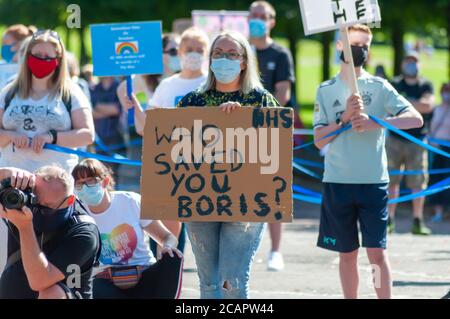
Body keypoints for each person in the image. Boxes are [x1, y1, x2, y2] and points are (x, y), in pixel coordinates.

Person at [313, 24, 423, 299]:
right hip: (338, 182)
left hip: (373, 181)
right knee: (347, 253)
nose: (359, 49)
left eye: (365, 45)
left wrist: (377, 122)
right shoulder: (325, 90)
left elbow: (414, 119)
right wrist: (344, 119)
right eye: (354, 43)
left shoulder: (379, 86)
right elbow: (319, 139)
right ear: (340, 46)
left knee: (376, 252)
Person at [170, 31, 279, 299]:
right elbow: (174, 148)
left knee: (232, 282)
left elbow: (279, 146)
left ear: (244, 62)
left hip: (247, 204)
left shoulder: (261, 100)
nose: (224, 59)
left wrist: (245, 120)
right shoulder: (192, 101)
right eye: (218, 54)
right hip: (200, 202)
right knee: (208, 283)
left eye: (232, 54)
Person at [71, 159, 183, 299]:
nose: (85, 187)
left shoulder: (130, 201)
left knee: (173, 257)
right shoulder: (76, 212)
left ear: (105, 181)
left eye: (90, 181)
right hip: (104, 279)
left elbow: (168, 237)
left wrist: (167, 247)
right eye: (80, 183)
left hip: (144, 272)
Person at [0, 29, 95, 173]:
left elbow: (87, 135)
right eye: (37, 55)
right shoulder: (9, 92)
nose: (41, 60)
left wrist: (51, 137)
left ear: (58, 60)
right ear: (27, 56)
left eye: (47, 57)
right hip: (12, 182)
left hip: (55, 183)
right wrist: (11, 135)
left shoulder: (71, 93)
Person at [0, 165, 101, 299]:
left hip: (61, 294)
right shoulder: (21, 203)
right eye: (34, 201)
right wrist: (6, 173)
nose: (37, 210)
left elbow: (39, 281)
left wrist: (25, 227)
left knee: (52, 293)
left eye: (47, 206)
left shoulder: (84, 232)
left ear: (69, 201)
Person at [248, 0, 296, 272]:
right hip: (241, 131)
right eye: (254, 15)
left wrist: (265, 118)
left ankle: (275, 250)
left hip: (269, 128)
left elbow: (283, 94)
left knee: (272, 191)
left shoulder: (280, 53)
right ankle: (249, 246)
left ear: (271, 21)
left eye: (262, 16)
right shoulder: (241, 49)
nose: (258, 19)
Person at [387, 51, 435, 235]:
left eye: (415, 62)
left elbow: (428, 105)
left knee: (418, 182)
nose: (411, 65)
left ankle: (417, 220)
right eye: (408, 61)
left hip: (418, 140)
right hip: (395, 139)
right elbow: (390, 106)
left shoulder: (426, 84)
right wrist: (416, 104)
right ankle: (389, 219)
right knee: (391, 181)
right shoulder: (395, 84)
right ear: (402, 64)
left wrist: (404, 103)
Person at [90, 76, 125, 180]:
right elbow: (90, 113)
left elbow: (117, 110)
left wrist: (97, 106)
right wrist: (109, 110)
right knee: (100, 174)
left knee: (114, 174)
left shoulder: (119, 87)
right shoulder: (93, 88)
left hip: (116, 137)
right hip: (99, 139)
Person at [428, 83, 450, 222]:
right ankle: (438, 212)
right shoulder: (436, 109)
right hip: (436, 149)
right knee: (436, 180)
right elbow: (430, 128)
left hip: (448, 150)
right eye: (445, 91)